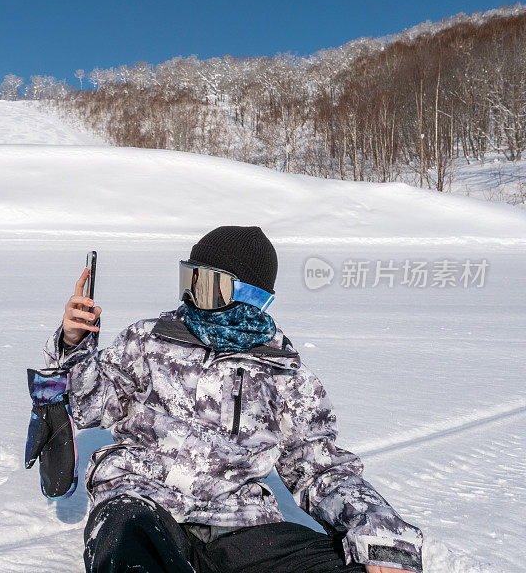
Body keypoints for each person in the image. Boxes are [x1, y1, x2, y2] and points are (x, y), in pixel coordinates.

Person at [45, 226, 423, 573]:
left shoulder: (285, 376)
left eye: (205, 284)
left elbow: (321, 470)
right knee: (126, 546)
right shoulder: (149, 341)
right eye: (187, 279)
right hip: (142, 505)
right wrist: (74, 345)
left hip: (240, 525)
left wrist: (383, 540)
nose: (191, 296)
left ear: (248, 295)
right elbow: (86, 406)